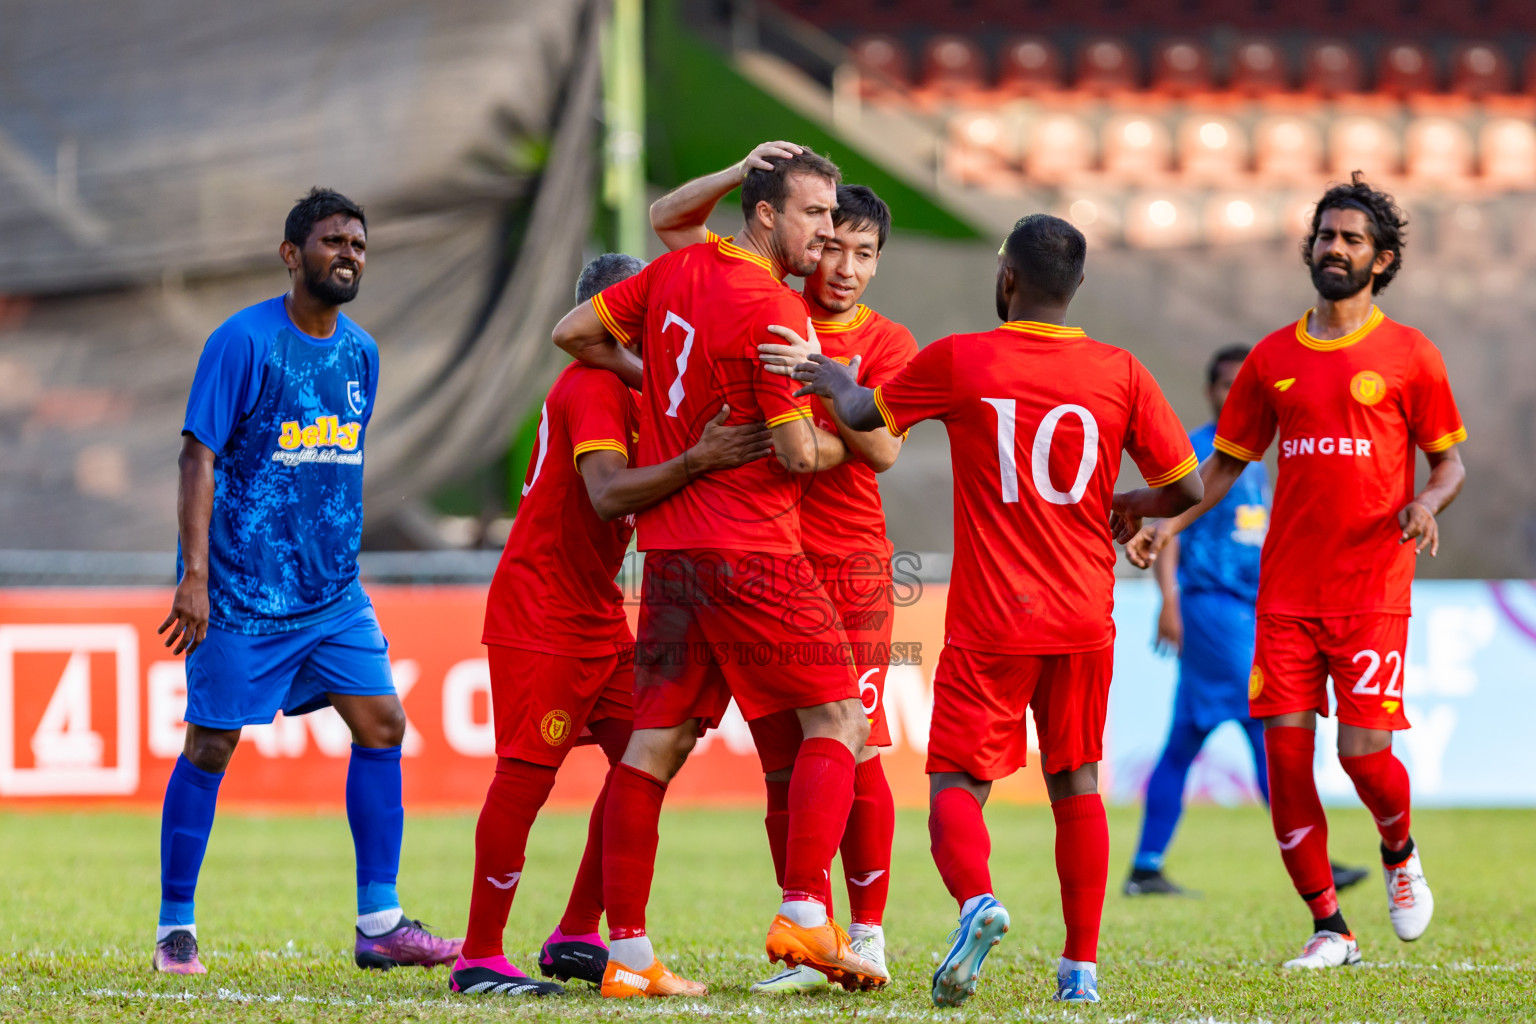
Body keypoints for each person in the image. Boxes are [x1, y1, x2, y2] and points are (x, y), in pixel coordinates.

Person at [788, 213, 1203, 1006]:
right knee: (1077, 783)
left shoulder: (964, 358)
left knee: (954, 782)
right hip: (1085, 613)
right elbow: (1185, 488)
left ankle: (977, 901)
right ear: (1076, 288)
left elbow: (864, 418)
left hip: (993, 620)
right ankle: (1079, 970)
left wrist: (832, 376)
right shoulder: (1120, 371)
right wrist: (1129, 503)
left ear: (1007, 278)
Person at [552, 148, 886, 997]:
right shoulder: (776, 311)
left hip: (669, 552)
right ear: (767, 214)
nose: (826, 231)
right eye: (815, 215)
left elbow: (574, 334)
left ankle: (626, 956)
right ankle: (806, 917)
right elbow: (796, 449)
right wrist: (840, 419)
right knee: (841, 722)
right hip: (751, 548)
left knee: (655, 744)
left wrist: (658, 378)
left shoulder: (676, 268)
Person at [1123, 173, 1466, 969]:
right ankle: (1329, 926)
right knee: (1282, 762)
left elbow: (1448, 466)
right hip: (1283, 596)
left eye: (1351, 239)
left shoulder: (1412, 355)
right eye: (1325, 235)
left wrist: (1426, 506)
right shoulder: (1272, 359)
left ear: (1380, 261)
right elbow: (1218, 473)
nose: (1334, 248)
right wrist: (1162, 519)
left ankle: (1397, 849)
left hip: (1371, 590)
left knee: (1360, 755)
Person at [154, 189, 461, 975]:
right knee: (212, 745)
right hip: (243, 596)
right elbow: (199, 457)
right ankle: (175, 928)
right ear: (293, 255)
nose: (348, 253)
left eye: (358, 242)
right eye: (332, 241)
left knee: (383, 724)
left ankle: (381, 922)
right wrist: (194, 578)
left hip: (332, 596)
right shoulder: (242, 342)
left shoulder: (362, 353)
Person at [449, 255, 773, 997]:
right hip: (543, 614)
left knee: (648, 761)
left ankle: (575, 934)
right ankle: (478, 956)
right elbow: (604, 496)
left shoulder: (647, 396)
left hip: (595, 615)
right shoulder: (594, 386)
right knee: (526, 779)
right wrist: (698, 458)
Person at [647, 141, 918, 993]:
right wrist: (735, 172)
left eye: (863, 253)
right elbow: (669, 222)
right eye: (832, 242)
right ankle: (808, 925)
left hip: (850, 567)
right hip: (767, 563)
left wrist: (822, 399)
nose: (842, 265)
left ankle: (865, 933)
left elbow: (886, 447)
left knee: (859, 743)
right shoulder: (768, 302)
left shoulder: (886, 341)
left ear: (878, 264)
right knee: (782, 762)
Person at [1126, 347, 1370, 898]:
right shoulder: (1200, 448)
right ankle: (1315, 858)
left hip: (1247, 607)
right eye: (1226, 384)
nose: (1235, 393)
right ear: (1212, 390)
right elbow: (1173, 525)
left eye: (1245, 385)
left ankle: (1145, 866)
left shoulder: (1256, 457)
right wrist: (1167, 599)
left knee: (1184, 741)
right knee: (1270, 725)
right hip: (1214, 606)